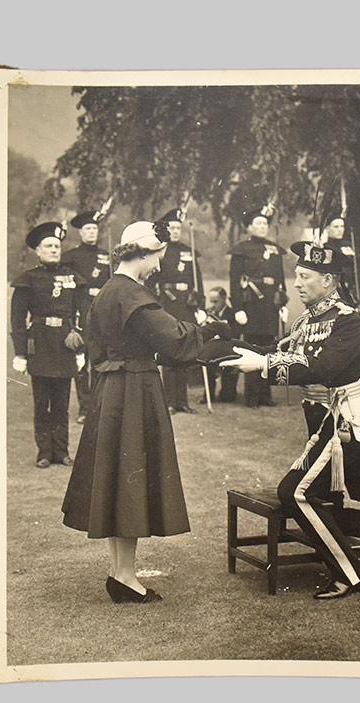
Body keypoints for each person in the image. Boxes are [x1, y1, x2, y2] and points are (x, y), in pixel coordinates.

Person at [224, 240, 360, 599]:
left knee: (294, 493)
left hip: (346, 428)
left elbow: (324, 367)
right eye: (296, 275)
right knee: (323, 506)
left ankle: (351, 572)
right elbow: (280, 351)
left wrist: (264, 366)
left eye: (305, 276)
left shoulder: (348, 320)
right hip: (323, 426)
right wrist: (230, 348)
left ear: (328, 280)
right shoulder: (307, 319)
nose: (296, 283)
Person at [62, 220, 230, 604]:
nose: (158, 265)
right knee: (131, 481)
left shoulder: (107, 291)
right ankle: (123, 575)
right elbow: (173, 339)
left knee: (120, 481)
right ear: (143, 253)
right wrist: (208, 329)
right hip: (133, 389)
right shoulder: (132, 294)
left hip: (111, 390)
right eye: (157, 257)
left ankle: (120, 573)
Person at [10, 222, 85, 468]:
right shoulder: (28, 279)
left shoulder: (73, 278)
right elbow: (17, 319)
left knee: (62, 403)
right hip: (39, 345)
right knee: (42, 403)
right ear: (38, 251)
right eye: (48, 246)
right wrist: (20, 353)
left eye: (57, 246)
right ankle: (44, 453)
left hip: (65, 344)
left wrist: (81, 350)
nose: (54, 250)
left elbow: (83, 314)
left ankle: (62, 452)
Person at [228, 205, 288, 408]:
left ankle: (265, 394)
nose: (262, 227)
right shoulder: (241, 250)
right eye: (258, 223)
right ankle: (252, 396)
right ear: (249, 227)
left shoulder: (274, 249)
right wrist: (237, 309)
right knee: (252, 348)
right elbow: (234, 281)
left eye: (265, 223)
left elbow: (280, 280)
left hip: (270, 304)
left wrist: (283, 303)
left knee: (269, 348)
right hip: (251, 304)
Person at [61, 209, 112, 421]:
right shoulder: (70, 257)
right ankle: (84, 407)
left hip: (102, 310)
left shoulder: (106, 255)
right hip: (81, 308)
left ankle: (99, 405)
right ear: (80, 233)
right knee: (81, 360)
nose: (91, 232)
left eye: (94, 228)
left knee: (100, 359)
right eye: (87, 229)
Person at [151, 207, 204, 414]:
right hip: (168, 304)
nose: (175, 231)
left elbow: (197, 281)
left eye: (178, 228)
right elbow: (152, 280)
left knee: (184, 352)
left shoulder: (189, 251)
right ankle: (170, 401)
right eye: (172, 227)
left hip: (187, 305)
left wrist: (200, 306)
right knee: (169, 352)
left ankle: (182, 401)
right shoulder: (160, 250)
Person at [202, 286, 239, 403]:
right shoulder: (207, 313)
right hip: (213, 348)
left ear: (224, 299)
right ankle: (208, 395)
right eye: (211, 301)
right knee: (208, 367)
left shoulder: (232, 314)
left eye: (216, 301)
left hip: (228, 348)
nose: (213, 304)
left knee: (227, 398)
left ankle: (228, 392)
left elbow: (236, 333)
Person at [322, 210, 360, 307]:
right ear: (327, 229)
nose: (340, 230)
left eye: (342, 226)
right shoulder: (325, 249)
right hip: (335, 295)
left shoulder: (348, 247)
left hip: (351, 293)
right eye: (336, 227)